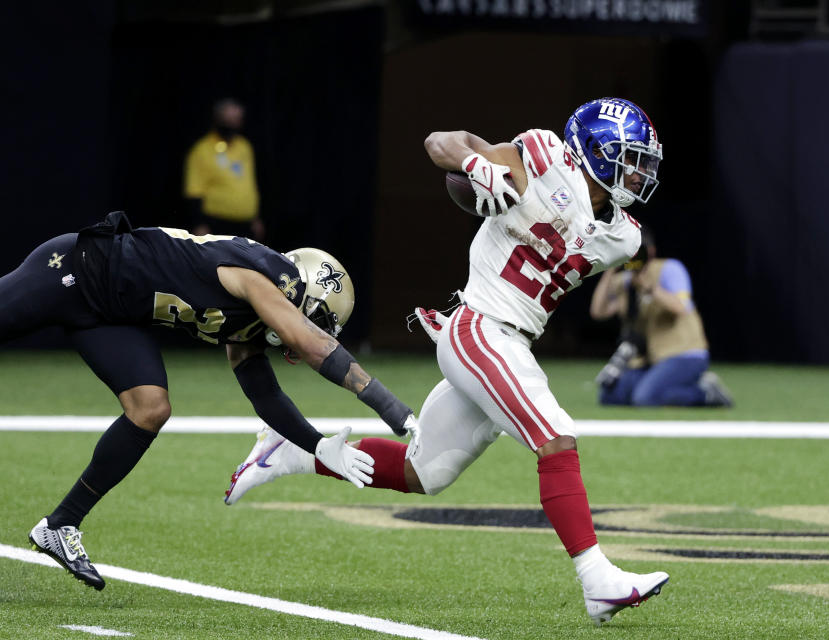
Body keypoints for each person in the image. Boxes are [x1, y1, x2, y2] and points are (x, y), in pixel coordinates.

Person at [225, 98, 669, 626]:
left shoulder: (625, 236)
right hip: (479, 327)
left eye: (645, 161)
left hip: (512, 339)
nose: (640, 172)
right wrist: (478, 166)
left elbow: (577, 237)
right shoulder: (545, 157)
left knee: (423, 472)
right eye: (630, 158)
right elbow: (441, 142)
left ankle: (294, 451)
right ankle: (597, 580)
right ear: (594, 150)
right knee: (556, 436)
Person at [0, 210, 417, 590]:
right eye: (313, 317)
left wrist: (318, 447)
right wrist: (391, 408)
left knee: (150, 408)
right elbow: (310, 341)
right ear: (299, 295)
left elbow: (264, 394)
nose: (307, 333)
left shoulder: (255, 320)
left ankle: (59, 525)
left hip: (112, 314)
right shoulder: (261, 275)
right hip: (74, 270)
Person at [589, 228, 733, 407]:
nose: (633, 256)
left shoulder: (669, 269)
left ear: (651, 251)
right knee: (610, 395)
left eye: (637, 249)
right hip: (653, 359)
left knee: (645, 398)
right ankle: (662, 386)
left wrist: (651, 289)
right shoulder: (626, 281)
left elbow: (681, 308)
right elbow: (598, 311)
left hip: (685, 355)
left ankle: (705, 392)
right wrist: (609, 268)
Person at [184, 98, 264, 240]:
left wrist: (254, 218)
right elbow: (194, 191)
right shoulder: (202, 149)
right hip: (216, 225)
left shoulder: (244, 146)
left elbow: (248, 185)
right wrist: (199, 223)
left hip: (245, 225)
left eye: (237, 119)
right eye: (230, 119)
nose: (234, 123)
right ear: (219, 119)